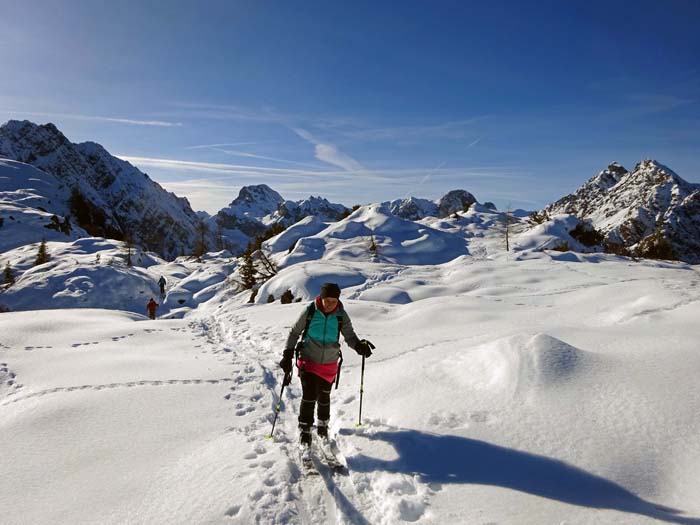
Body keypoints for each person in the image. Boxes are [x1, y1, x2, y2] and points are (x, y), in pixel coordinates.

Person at [280, 282, 374, 452]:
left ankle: (323, 426)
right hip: (308, 358)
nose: (330, 303)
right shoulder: (310, 311)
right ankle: (305, 429)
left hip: (330, 362)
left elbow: (349, 335)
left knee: (324, 395)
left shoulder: (341, 315)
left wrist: (359, 346)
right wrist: (287, 354)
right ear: (321, 298)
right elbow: (294, 333)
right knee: (309, 394)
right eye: (327, 300)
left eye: (333, 300)